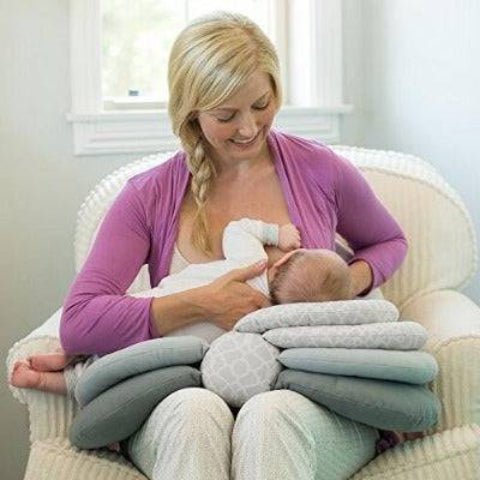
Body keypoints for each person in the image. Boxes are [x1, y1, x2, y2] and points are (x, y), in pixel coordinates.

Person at [47, 10, 409, 479]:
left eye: (261, 104)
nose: (249, 128)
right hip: (186, 397)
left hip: (301, 402)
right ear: (191, 112)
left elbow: (388, 241)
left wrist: (337, 289)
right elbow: (79, 321)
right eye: (226, 115)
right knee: (195, 415)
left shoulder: (321, 170)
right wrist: (201, 303)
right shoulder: (147, 196)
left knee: (268, 416)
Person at [10, 218, 353, 396]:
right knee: (119, 374)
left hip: (154, 306)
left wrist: (276, 233)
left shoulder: (253, 262)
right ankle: (55, 379)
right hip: (169, 352)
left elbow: (237, 229)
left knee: (113, 324)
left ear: (284, 261)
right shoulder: (266, 326)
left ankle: (69, 354)